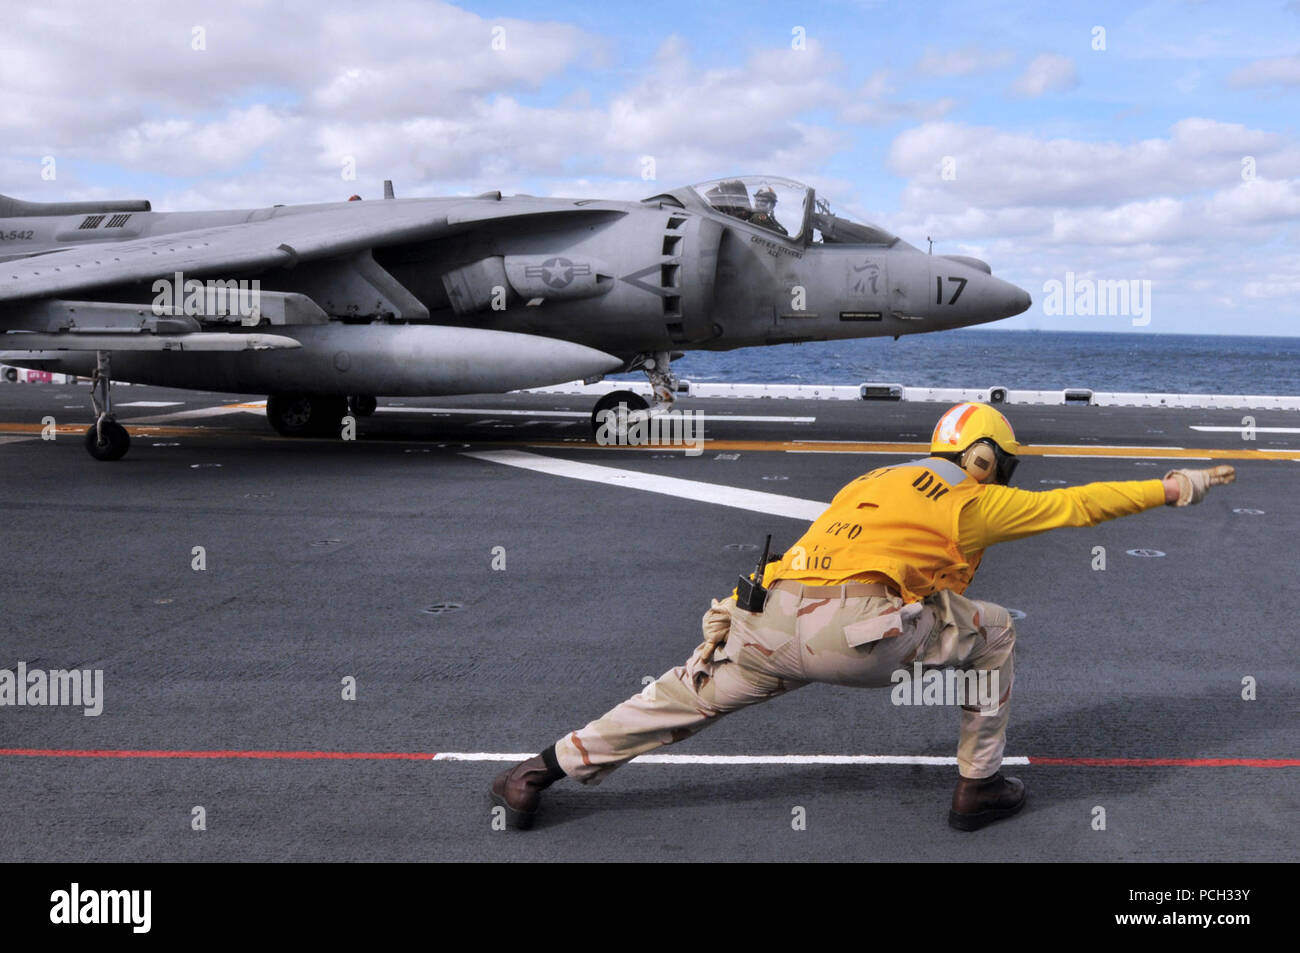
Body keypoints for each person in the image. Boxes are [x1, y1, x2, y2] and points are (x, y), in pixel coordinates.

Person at [491, 402, 1236, 831]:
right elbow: (1077, 507)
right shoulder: (973, 496)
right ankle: (977, 787)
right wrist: (1176, 487)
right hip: (856, 637)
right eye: (1003, 463)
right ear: (985, 458)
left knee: (674, 698)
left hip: (768, 620)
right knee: (997, 627)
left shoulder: (872, 477)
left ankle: (537, 772)